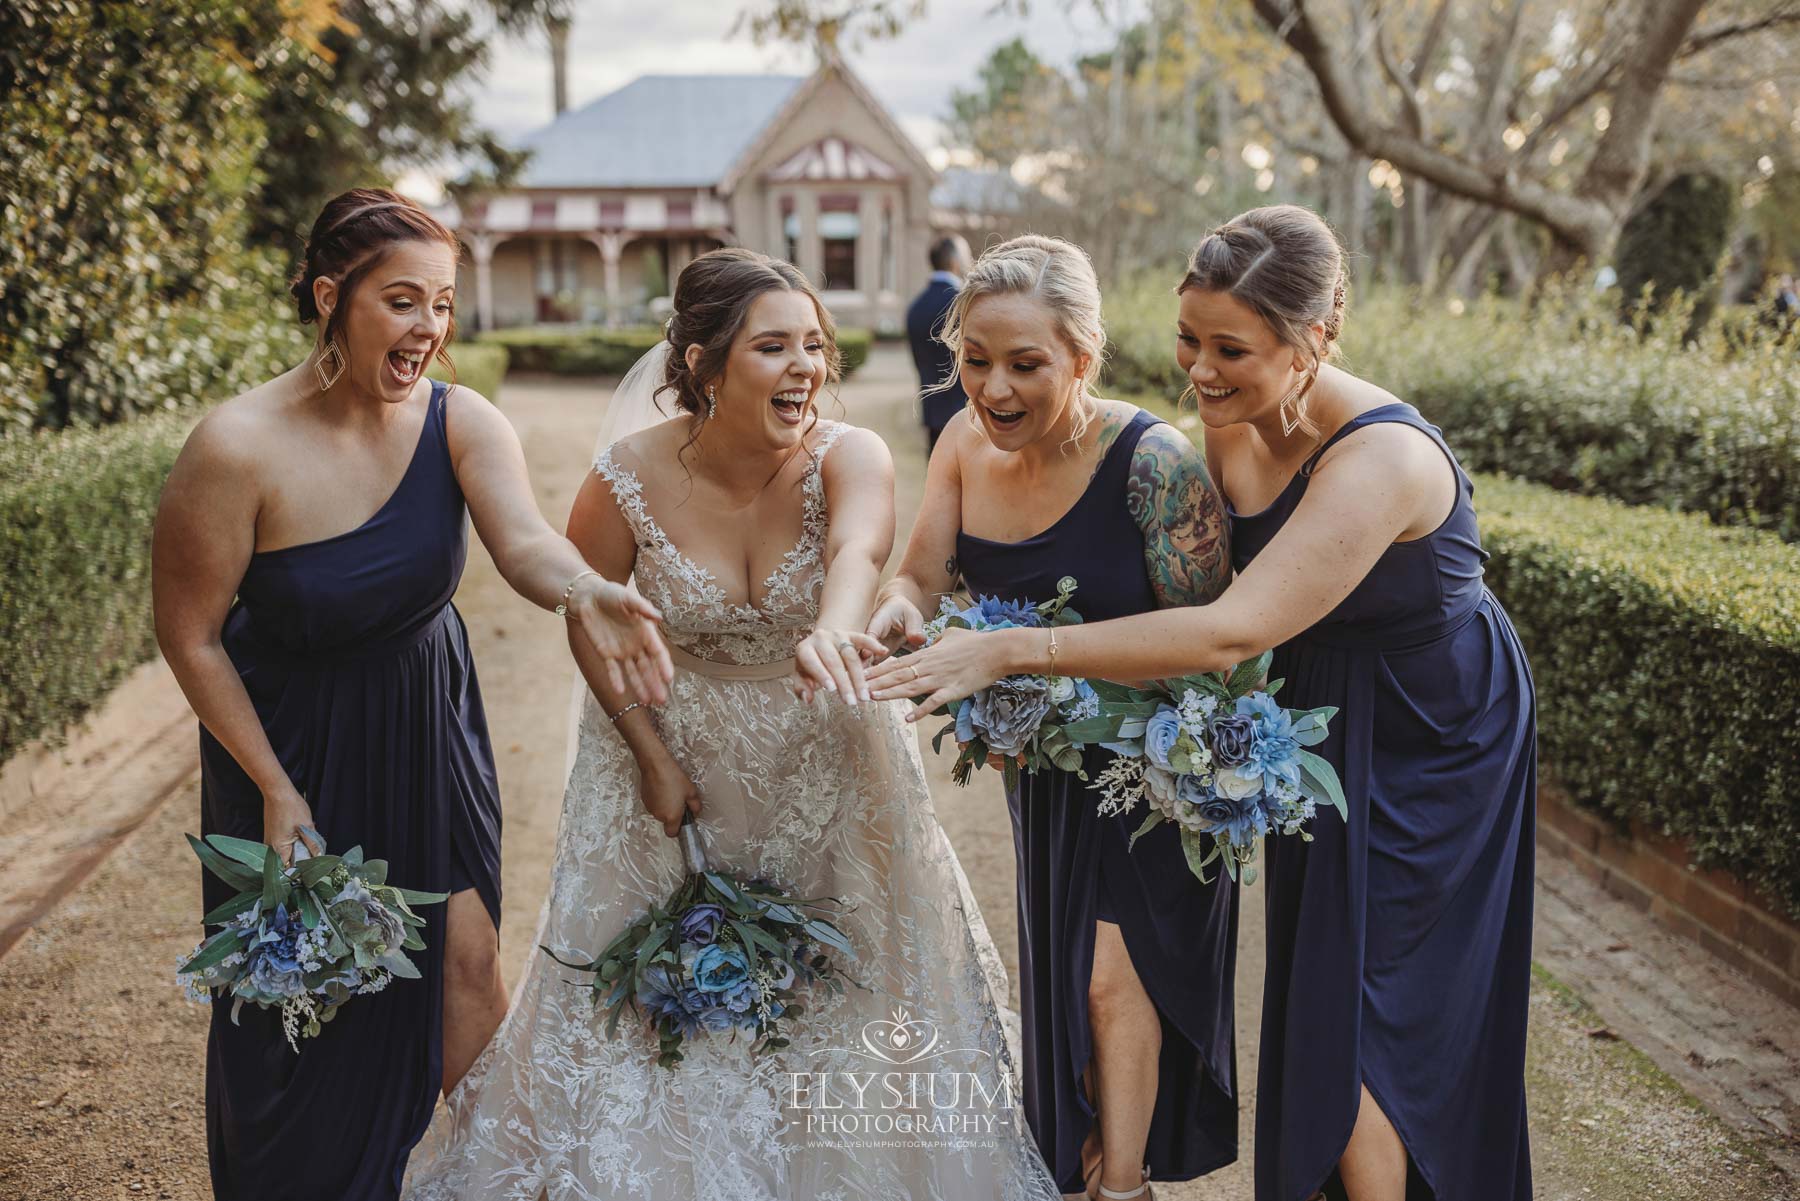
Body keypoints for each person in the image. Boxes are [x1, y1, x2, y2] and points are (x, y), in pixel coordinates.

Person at [867, 206, 1538, 1201]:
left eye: (1232, 349)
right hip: (1316, 707)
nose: (1201, 371)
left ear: (1314, 338)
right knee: (1322, 995)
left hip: (1434, 734)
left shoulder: (1384, 458)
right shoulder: (1224, 432)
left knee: (1378, 1019)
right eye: (1190, 339)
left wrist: (1011, 649)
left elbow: (1230, 629)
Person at [401, 248, 1063, 1201]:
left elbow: (859, 549)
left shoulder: (851, 454)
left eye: (814, 345)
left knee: (847, 985)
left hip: (828, 751)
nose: (806, 367)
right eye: (774, 347)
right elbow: (589, 617)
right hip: (678, 757)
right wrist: (646, 752)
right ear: (703, 364)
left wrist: (832, 629)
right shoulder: (624, 477)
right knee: (668, 1002)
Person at [152, 189, 670, 1201]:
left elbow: (523, 540)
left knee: (467, 967)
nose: (430, 327)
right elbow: (191, 635)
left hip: (427, 731)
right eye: (402, 301)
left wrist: (585, 586)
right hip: (288, 748)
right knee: (302, 1009)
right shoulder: (235, 446)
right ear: (328, 297)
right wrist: (275, 788)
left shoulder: (459, 419)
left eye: (442, 303)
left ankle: (507, 1184)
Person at [868, 234, 1239, 1201]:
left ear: (1083, 356)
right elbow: (921, 570)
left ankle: (1124, 1186)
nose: (993, 387)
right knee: (1070, 987)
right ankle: (1091, 1168)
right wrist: (899, 609)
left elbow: (1214, 648)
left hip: (1159, 768)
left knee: (1114, 982)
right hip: (1044, 774)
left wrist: (1021, 657)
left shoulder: (1154, 465)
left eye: (1025, 364)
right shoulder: (961, 443)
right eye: (974, 359)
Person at [908, 234, 973, 453]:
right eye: (967, 256)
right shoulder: (964, 304)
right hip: (965, 413)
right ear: (955, 262)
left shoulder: (916, 307)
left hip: (931, 410)